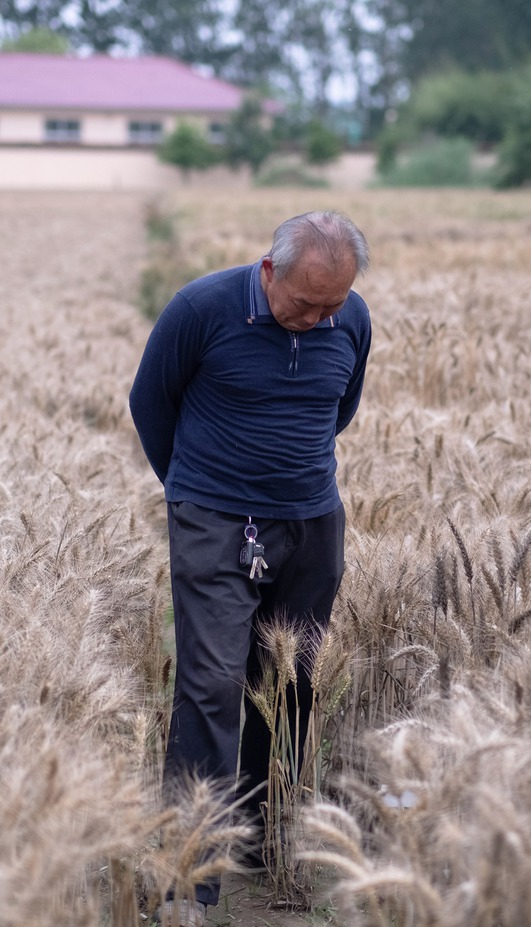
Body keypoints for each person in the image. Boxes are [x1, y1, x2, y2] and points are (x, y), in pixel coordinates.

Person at [129, 210, 371, 927]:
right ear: (269, 270)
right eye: (304, 302)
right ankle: (191, 872)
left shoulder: (349, 318)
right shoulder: (201, 309)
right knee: (209, 683)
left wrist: (290, 475)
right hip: (214, 519)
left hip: (310, 520)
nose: (317, 317)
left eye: (331, 305)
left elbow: (340, 408)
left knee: (291, 679)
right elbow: (151, 403)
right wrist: (196, 488)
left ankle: (266, 839)